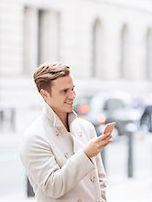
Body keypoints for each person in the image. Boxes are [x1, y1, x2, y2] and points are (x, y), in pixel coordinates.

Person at [19, 62, 112, 201]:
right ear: (45, 95)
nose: (72, 95)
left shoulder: (86, 127)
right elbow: (53, 187)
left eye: (73, 88)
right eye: (64, 91)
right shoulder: (34, 137)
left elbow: (100, 179)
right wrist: (85, 155)